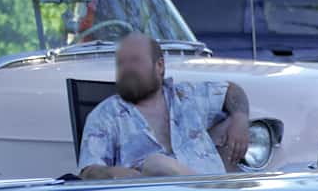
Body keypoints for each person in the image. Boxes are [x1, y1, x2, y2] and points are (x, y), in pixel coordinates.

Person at [76, 34, 250, 179]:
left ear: (159, 66)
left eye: (135, 61)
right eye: (121, 63)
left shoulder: (187, 96)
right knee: (156, 164)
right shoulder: (106, 115)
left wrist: (240, 120)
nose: (127, 69)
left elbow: (231, 90)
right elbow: (88, 171)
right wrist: (124, 175)